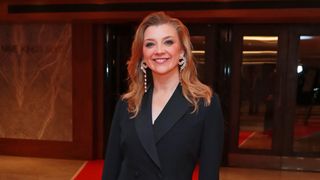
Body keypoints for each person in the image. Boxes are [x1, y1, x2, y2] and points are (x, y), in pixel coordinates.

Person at [102, 11, 224, 180]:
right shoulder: (127, 104)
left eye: (168, 42)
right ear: (143, 56)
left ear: (181, 51)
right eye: (150, 44)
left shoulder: (205, 104)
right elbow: (111, 167)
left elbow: (209, 173)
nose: (159, 50)